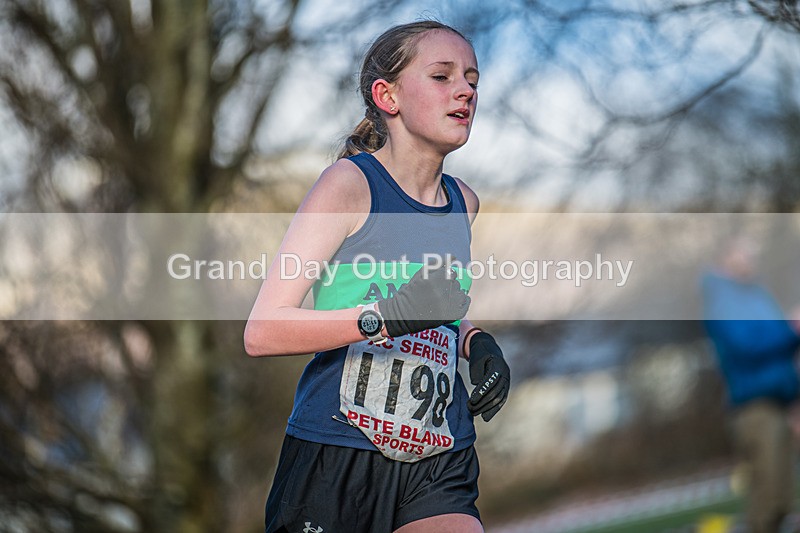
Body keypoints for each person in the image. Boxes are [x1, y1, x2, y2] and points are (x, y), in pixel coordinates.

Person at [244, 21, 511, 533]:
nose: (465, 90)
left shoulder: (463, 203)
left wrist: (474, 341)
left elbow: (431, 305)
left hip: (438, 451)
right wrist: (384, 319)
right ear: (388, 96)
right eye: (442, 76)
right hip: (339, 449)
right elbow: (263, 330)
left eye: (472, 79)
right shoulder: (349, 185)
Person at [701, 236, 800, 533]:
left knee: (782, 496)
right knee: (767, 497)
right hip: (755, 406)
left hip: (778, 401)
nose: (751, 259)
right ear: (725, 258)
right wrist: (791, 330)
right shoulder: (723, 301)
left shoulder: (755, 295)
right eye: (744, 253)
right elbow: (747, 346)